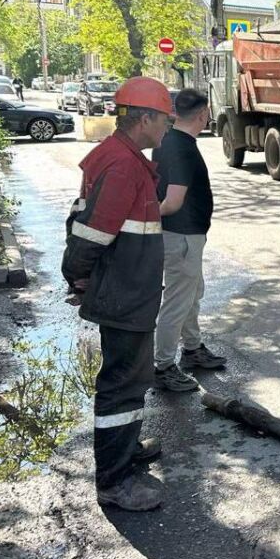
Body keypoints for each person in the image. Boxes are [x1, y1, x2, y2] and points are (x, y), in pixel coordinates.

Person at [62, 77, 173, 512]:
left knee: (132, 379)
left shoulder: (120, 158)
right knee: (121, 386)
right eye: (163, 120)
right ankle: (114, 479)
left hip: (130, 291)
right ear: (144, 119)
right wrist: (77, 277)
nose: (167, 128)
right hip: (126, 294)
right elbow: (90, 234)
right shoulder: (124, 166)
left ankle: (125, 450)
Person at [151, 89, 226, 391]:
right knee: (178, 301)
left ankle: (192, 349)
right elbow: (172, 201)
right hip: (181, 237)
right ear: (202, 114)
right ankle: (164, 366)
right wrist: (147, 219)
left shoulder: (167, 141)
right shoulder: (182, 149)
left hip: (185, 236)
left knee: (191, 295)